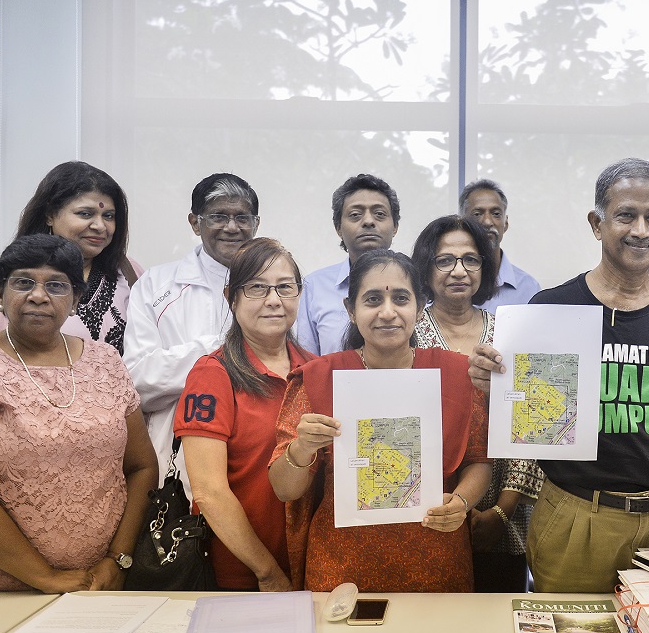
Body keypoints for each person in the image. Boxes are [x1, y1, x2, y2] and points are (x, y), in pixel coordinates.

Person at [469, 158, 649, 593]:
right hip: (576, 520)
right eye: (625, 215)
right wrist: (494, 382)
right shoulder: (549, 310)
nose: (641, 230)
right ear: (597, 224)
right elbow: (523, 418)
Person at [269, 250, 493, 592]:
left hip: (436, 557)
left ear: (419, 310)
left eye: (400, 299)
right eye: (373, 299)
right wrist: (301, 448)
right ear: (350, 309)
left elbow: (479, 461)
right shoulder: (318, 379)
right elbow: (285, 489)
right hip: (341, 565)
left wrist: (461, 502)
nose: (387, 312)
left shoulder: (456, 375)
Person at [0, 234, 158, 592]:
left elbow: (142, 467)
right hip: (7, 588)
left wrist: (118, 561)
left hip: (101, 586)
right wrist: (44, 577)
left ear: (75, 301)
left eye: (56, 285)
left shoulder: (105, 361)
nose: (38, 295)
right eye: (23, 282)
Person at [411, 215, 544, 592]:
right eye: (445, 260)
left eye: (471, 260)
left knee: (498, 625)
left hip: (503, 507)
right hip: (428, 507)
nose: (459, 270)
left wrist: (504, 509)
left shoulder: (510, 333)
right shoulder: (406, 335)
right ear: (425, 267)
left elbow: (530, 424)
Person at [174, 238, 314, 591]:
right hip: (241, 573)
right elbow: (209, 492)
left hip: (314, 564)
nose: (273, 300)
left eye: (285, 287)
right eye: (256, 288)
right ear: (231, 298)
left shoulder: (316, 371)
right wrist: (266, 571)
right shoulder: (212, 374)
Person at [124, 173, 260, 500]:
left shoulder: (272, 285)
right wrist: (224, 350)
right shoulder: (157, 285)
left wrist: (184, 366)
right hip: (176, 452)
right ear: (195, 223)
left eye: (242, 217)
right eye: (217, 216)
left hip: (256, 446)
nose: (231, 227)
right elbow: (136, 380)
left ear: (256, 224)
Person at [0, 161, 142, 354]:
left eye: (108, 216)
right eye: (85, 214)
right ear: (50, 215)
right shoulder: (9, 276)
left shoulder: (128, 271)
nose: (100, 226)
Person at [296, 174, 401, 355]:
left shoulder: (417, 283)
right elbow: (307, 361)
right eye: (355, 215)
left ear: (395, 227)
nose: (368, 221)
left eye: (379, 214)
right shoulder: (314, 287)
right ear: (338, 228)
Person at [459, 179, 541, 312]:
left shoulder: (528, 288)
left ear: (506, 223)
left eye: (496, 214)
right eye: (477, 214)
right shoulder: (446, 280)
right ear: (462, 223)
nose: (487, 222)